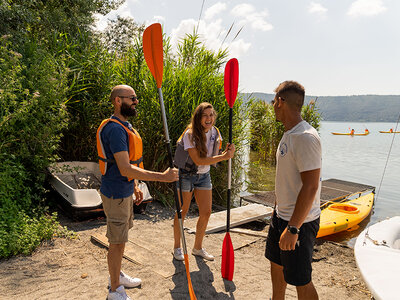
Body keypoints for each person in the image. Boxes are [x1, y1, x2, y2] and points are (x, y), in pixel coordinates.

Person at [96, 85, 179, 300]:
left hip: (123, 191)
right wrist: (163, 176)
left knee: (121, 239)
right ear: (117, 101)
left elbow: (123, 166)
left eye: (136, 98)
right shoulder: (114, 129)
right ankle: (114, 290)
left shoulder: (125, 126)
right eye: (132, 98)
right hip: (115, 194)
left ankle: (117, 276)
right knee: (116, 242)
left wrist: (134, 185)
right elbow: (124, 168)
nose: (136, 101)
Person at [265, 81, 321, 300]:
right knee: (277, 265)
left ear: (280, 102)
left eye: (274, 102)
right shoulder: (289, 133)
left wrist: (294, 228)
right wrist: (277, 210)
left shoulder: (305, 137)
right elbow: (288, 180)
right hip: (281, 217)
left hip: (300, 223)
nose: (272, 107)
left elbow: (311, 186)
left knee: (300, 280)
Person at [172, 102, 235, 261]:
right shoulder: (190, 134)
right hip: (186, 174)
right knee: (182, 211)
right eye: (205, 115)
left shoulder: (215, 132)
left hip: (204, 176)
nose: (209, 118)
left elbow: (214, 153)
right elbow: (198, 160)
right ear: (198, 118)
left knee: (206, 212)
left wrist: (228, 151)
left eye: (211, 115)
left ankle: (197, 248)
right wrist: (224, 157)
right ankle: (177, 247)